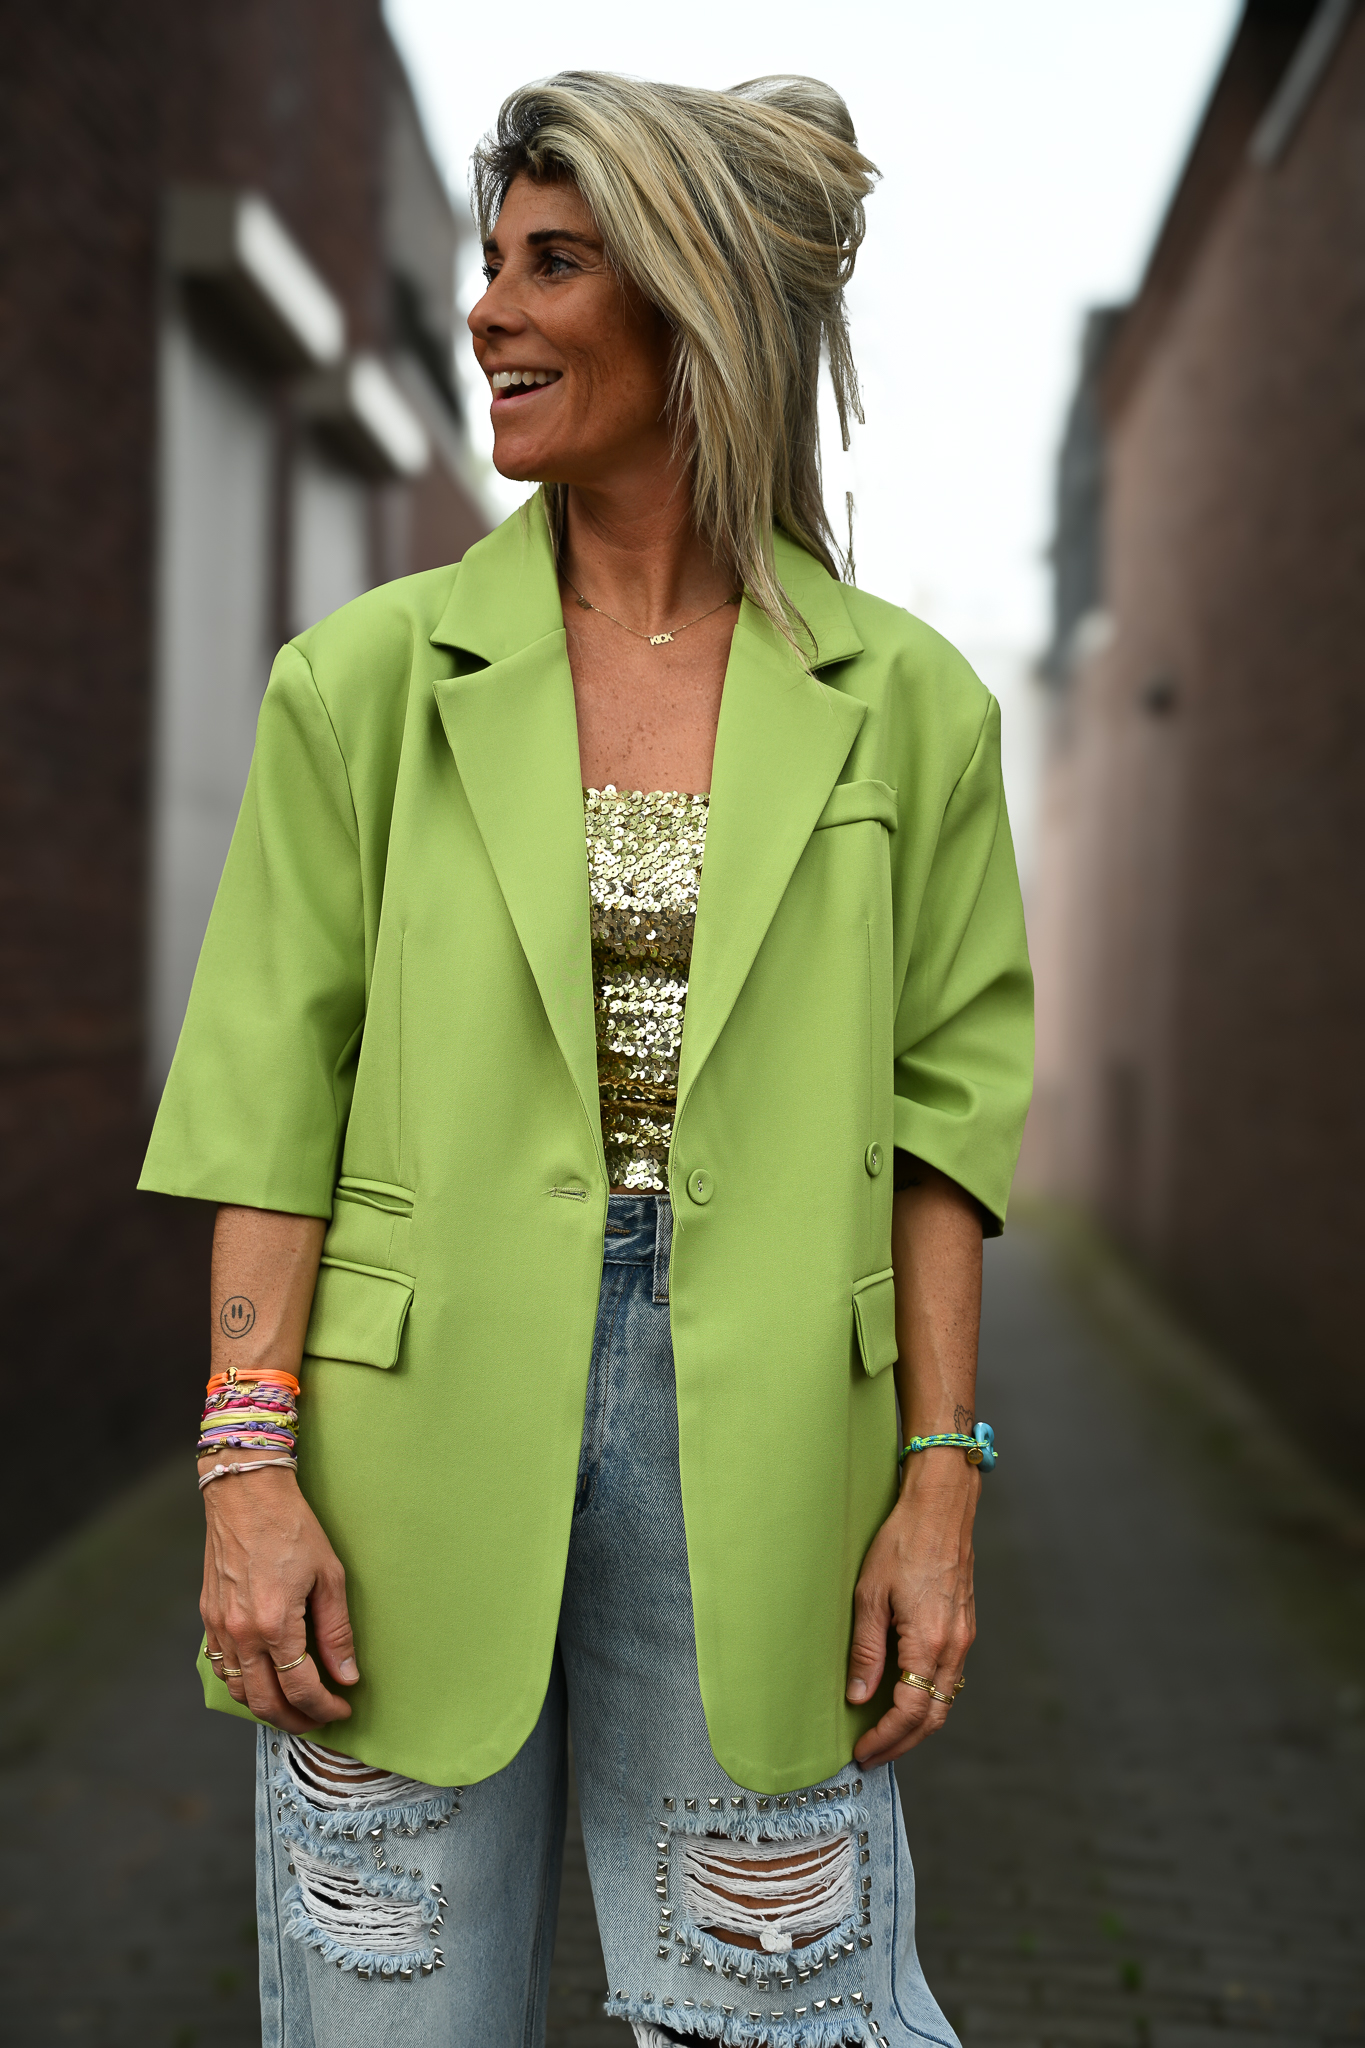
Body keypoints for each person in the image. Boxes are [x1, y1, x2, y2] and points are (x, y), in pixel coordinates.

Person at [140, 69, 1033, 2048]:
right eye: (490, 262)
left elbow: (943, 1130)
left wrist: (938, 1482)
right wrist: (245, 1468)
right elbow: (265, 1108)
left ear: (695, 299)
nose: (487, 312)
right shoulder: (359, 685)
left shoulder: (912, 710)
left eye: (553, 263)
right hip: (401, 1450)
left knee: (772, 2013)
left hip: (768, 1457)